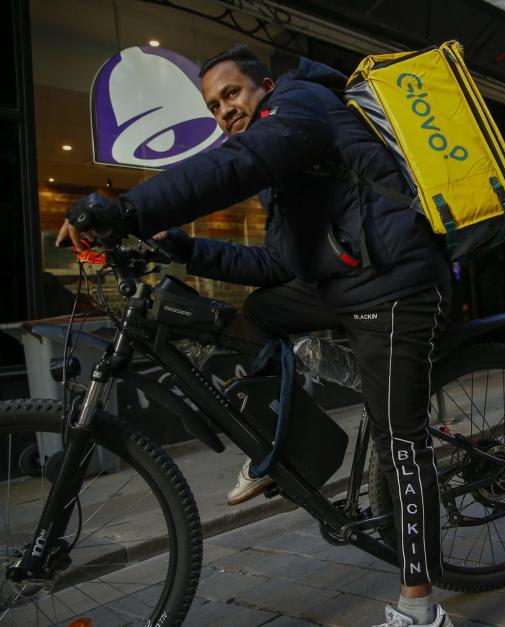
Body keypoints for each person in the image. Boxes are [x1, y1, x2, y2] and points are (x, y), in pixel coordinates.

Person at [57, 45, 454, 627]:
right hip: (343, 285)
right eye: (214, 106)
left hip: (396, 287)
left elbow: (233, 165)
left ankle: (420, 606)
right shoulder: (286, 166)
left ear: (264, 86)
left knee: (401, 438)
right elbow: (275, 267)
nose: (224, 111)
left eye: (232, 95)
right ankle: (285, 444)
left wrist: (126, 209)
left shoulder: (303, 106)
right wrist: (184, 250)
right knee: (261, 313)